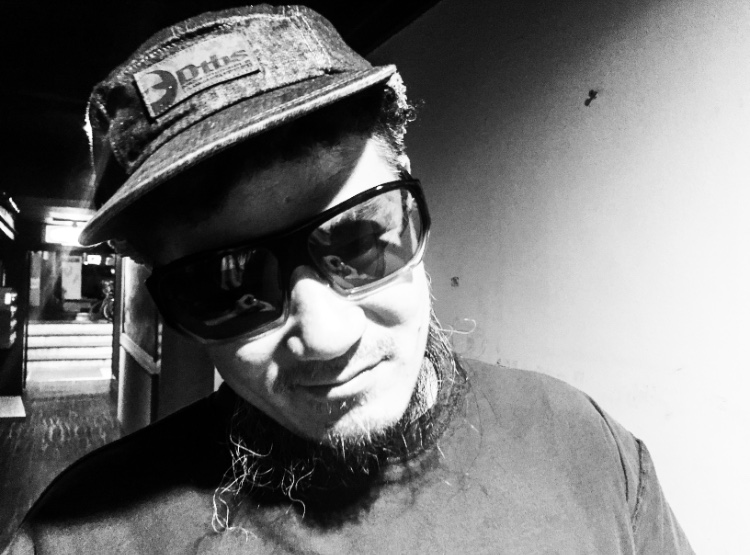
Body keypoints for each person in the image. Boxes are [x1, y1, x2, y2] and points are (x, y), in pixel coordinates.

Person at [4, 5, 694, 554]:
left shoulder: (589, 450)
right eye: (227, 286)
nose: (327, 337)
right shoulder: (77, 537)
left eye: (359, 238)